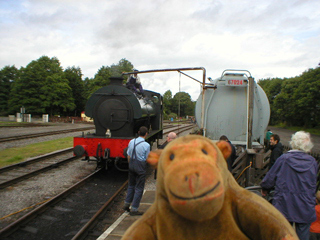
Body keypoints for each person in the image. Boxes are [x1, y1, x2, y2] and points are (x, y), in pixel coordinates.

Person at [260, 131, 317, 240]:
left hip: (285, 203)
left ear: (293, 142)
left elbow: (271, 176)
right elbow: (313, 183)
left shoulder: (284, 159)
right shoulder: (312, 162)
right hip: (305, 204)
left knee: (284, 233)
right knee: (303, 234)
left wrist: (265, 188)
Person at [123, 126, 150, 216]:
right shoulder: (146, 145)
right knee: (139, 187)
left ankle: (126, 204)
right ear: (146, 134)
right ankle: (134, 209)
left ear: (138, 132)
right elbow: (147, 158)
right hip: (140, 166)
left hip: (132, 164)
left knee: (131, 185)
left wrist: (130, 164)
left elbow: (128, 154)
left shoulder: (132, 141)